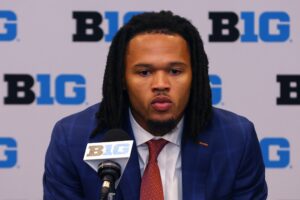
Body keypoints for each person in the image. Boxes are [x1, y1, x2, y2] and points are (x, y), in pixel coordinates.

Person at [43, 11, 268, 200]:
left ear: (195, 76)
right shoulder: (74, 139)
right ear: (122, 78)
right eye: (144, 72)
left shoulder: (236, 139)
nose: (161, 84)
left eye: (175, 71)